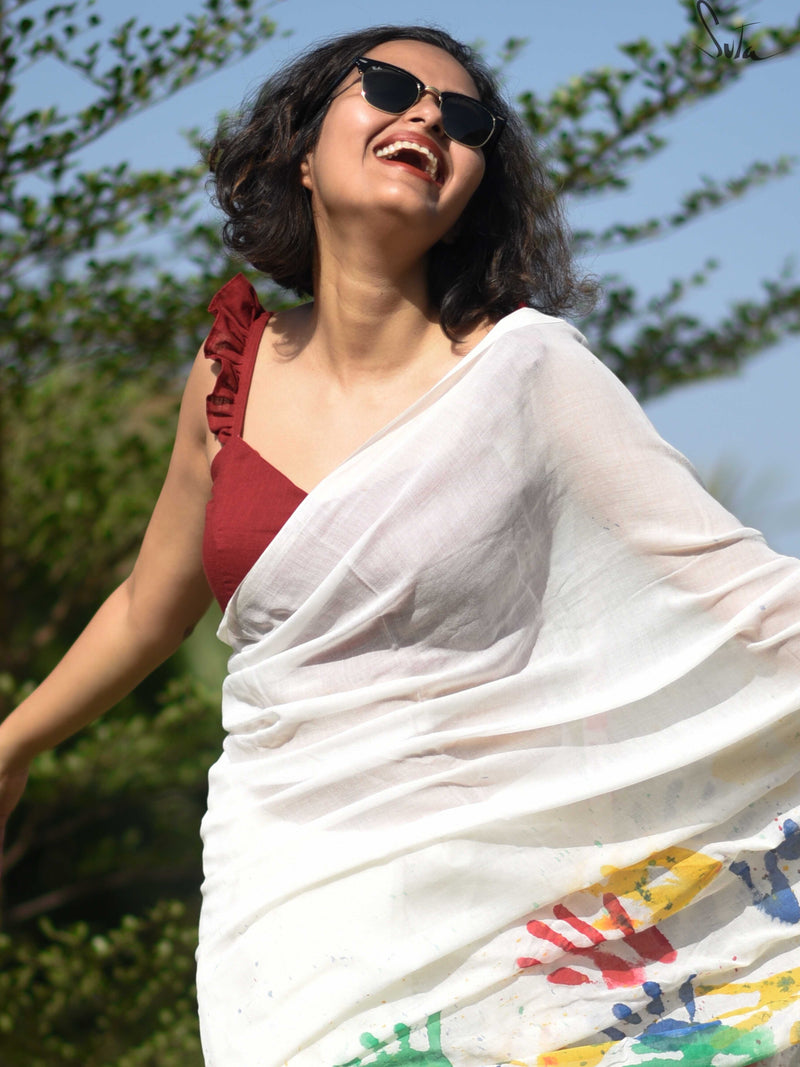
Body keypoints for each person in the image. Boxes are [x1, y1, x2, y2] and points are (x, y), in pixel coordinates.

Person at [2, 23, 800, 1067]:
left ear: (473, 186)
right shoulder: (226, 374)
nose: (427, 115)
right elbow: (150, 607)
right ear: (301, 144)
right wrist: (12, 741)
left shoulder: (525, 373)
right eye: (388, 87)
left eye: (464, 119)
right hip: (293, 892)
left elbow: (735, 593)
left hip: (498, 893)